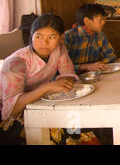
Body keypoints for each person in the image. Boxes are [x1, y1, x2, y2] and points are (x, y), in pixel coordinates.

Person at [0, 14, 78, 144]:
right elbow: (9, 109)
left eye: (52, 37)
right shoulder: (16, 62)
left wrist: (59, 84)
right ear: (31, 35)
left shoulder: (59, 50)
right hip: (10, 117)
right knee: (60, 133)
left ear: (61, 38)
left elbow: (68, 76)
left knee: (75, 123)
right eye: (38, 36)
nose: (44, 42)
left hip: (37, 102)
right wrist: (47, 87)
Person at [64, 4, 117, 73]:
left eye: (104, 19)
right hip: (71, 79)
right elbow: (61, 67)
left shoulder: (100, 35)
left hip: (93, 75)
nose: (104, 22)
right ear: (86, 21)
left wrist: (99, 65)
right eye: (101, 20)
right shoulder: (68, 37)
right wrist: (86, 67)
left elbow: (111, 55)